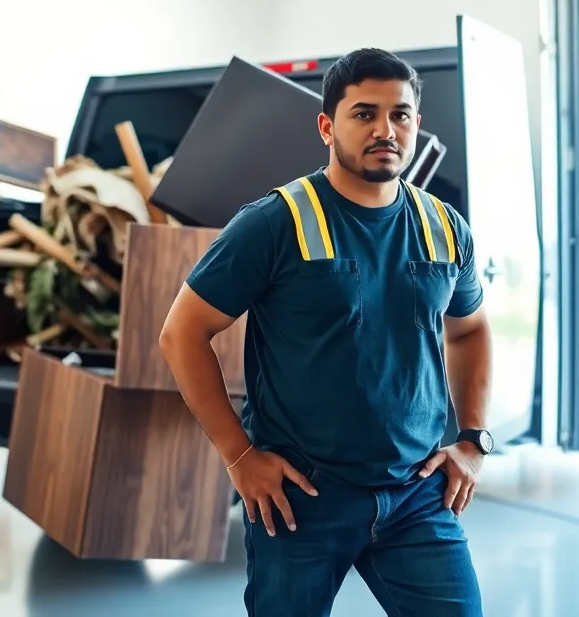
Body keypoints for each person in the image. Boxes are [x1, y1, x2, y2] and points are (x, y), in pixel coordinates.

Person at [158, 48, 493, 616]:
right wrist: (239, 457)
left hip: (417, 494)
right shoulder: (274, 221)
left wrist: (474, 440)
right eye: (364, 113)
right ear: (326, 126)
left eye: (401, 114)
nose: (385, 129)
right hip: (300, 500)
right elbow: (182, 333)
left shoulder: (443, 226)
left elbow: (471, 331)